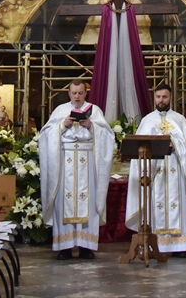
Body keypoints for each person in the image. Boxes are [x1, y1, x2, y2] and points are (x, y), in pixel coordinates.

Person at [127, 84, 186, 258]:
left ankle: (180, 246)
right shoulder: (147, 120)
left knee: (178, 204)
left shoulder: (179, 120)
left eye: (165, 97)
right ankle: (159, 244)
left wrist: (174, 143)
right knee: (157, 204)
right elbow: (141, 146)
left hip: (176, 169)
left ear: (171, 98)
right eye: (158, 97)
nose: (161, 100)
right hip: (156, 171)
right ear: (154, 98)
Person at [39, 80, 115, 260]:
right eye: (74, 93)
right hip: (64, 164)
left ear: (85, 93)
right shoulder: (60, 111)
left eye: (80, 93)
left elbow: (108, 135)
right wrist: (62, 125)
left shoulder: (94, 110)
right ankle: (64, 247)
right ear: (69, 93)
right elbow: (45, 135)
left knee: (87, 201)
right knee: (63, 202)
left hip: (87, 164)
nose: (77, 97)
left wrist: (91, 126)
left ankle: (85, 246)